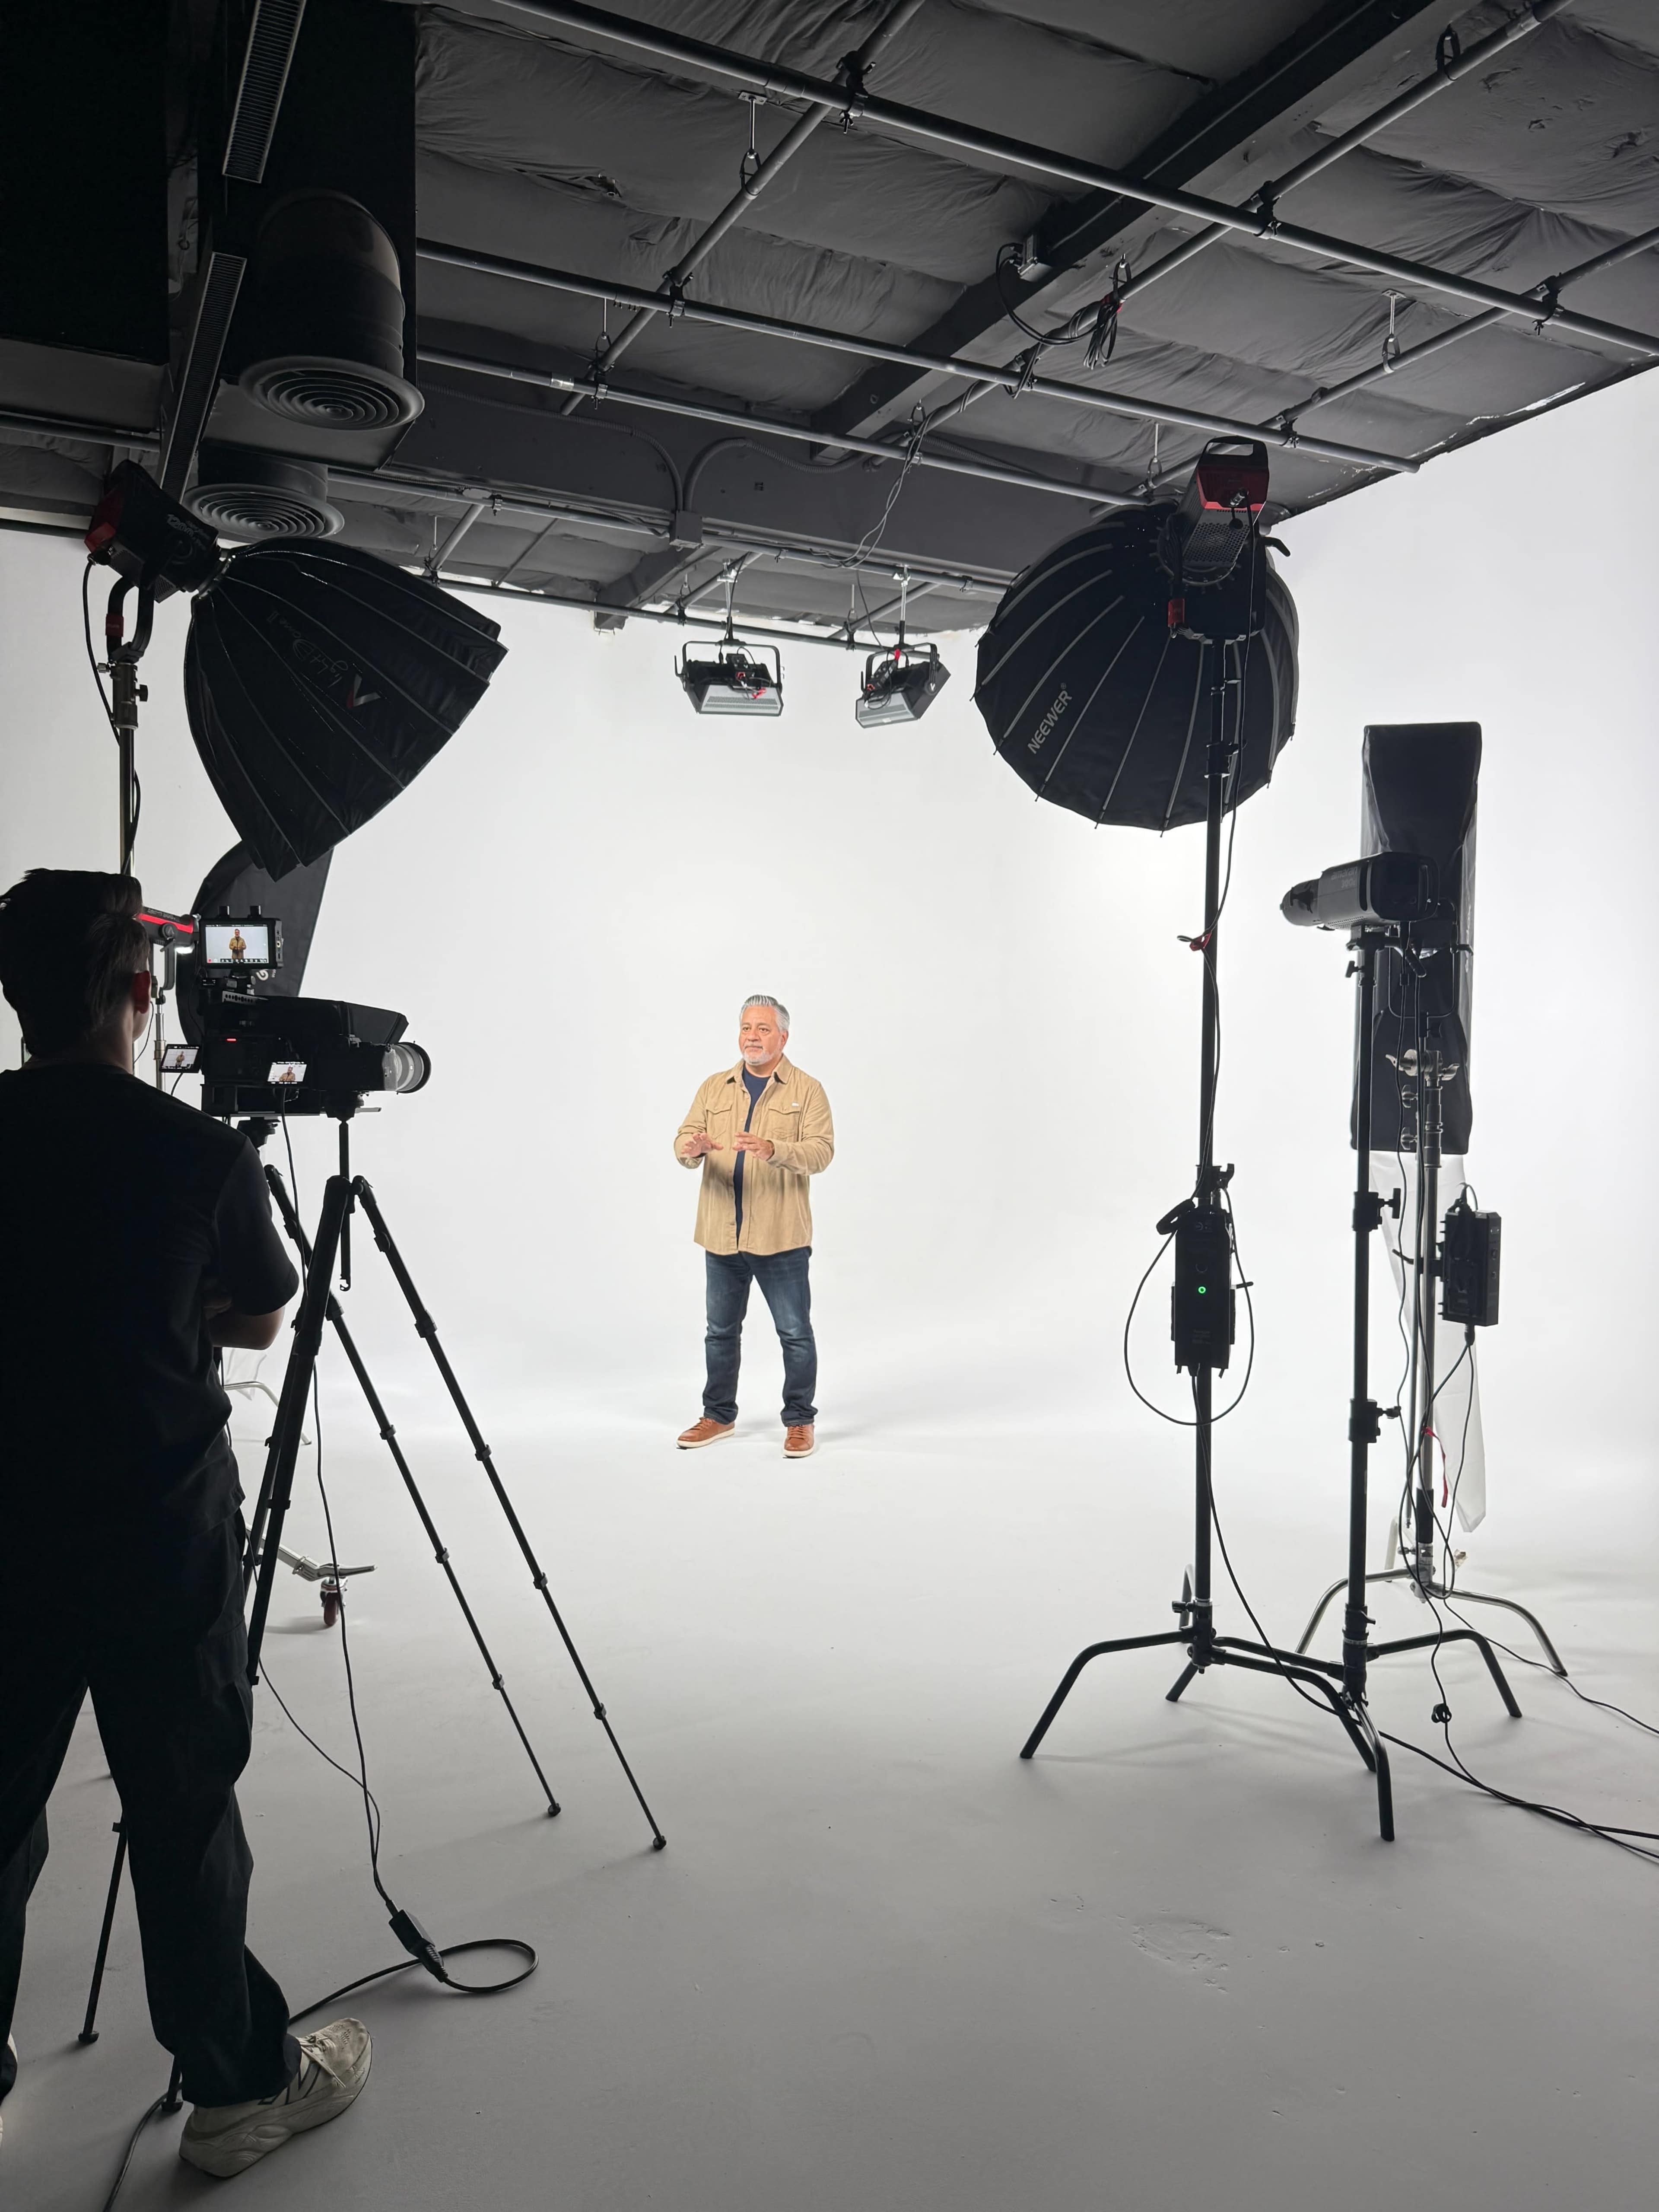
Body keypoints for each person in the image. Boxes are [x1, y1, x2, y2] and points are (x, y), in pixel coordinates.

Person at [0, 870, 370, 2177]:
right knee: (180, 1807)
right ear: (140, 990)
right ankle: (235, 2087)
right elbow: (264, 1312)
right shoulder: (200, 1154)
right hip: (157, 1528)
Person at [674, 996, 834, 1459]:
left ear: (783, 1037)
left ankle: (800, 1421)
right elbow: (681, 1141)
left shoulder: (808, 1090)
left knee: (794, 1333)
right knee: (720, 1332)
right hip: (721, 1234)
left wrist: (772, 1148)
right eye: (746, 1027)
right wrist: (692, 1147)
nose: (752, 1036)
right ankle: (718, 1415)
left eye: (763, 1029)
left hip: (780, 1236)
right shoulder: (714, 1087)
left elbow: (822, 1153)